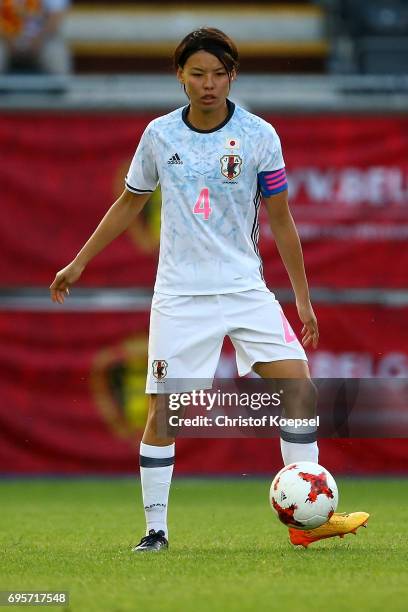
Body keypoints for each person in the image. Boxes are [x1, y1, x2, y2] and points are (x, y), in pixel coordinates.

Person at [50, 27, 369, 551]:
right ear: (180, 75)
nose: (208, 84)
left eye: (219, 74)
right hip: (180, 296)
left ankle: (306, 521)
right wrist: (79, 262)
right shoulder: (159, 135)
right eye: (198, 74)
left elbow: (282, 220)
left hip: (245, 289)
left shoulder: (260, 135)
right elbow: (130, 202)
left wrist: (302, 299)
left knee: (299, 386)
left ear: (232, 77)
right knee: (165, 414)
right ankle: (155, 531)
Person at [0, 0, 71, 74]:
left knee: (56, 55)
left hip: (42, 39)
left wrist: (39, 39)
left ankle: (59, 85)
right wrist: (7, 38)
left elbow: (56, 16)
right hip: (5, 39)